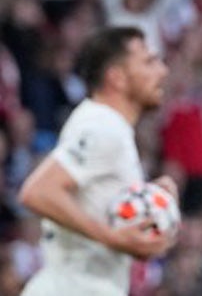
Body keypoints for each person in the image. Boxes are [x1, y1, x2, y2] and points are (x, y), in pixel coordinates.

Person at [18, 26, 176, 295]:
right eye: (149, 61)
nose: (163, 71)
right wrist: (111, 237)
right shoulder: (104, 127)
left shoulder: (106, 125)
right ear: (117, 78)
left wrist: (151, 198)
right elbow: (38, 192)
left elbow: (92, 198)